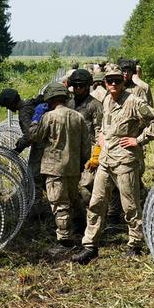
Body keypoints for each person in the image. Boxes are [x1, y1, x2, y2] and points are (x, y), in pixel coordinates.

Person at [72, 66, 154, 264]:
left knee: (129, 205)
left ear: (123, 81)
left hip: (125, 160)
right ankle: (90, 245)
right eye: (109, 81)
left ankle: (135, 244)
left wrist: (139, 140)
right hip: (106, 159)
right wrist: (101, 138)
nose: (113, 84)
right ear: (104, 82)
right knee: (96, 202)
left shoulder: (133, 102)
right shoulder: (106, 100)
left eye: (117, 81)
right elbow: (104, 126)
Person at [27, 82, 91, 247]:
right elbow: (86, 145)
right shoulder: (78, 116)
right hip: (73, 167)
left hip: (54, 168)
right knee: (73, 199)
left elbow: (36, 137)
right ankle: (83, 227)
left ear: (49, 99)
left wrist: (35, 121)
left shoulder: (48, 117)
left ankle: (64, 239)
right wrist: (83, 163)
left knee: (59, 204)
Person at [68, 68, 104, 229]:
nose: (77, 89)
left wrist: (96, 153)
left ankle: (94, 221)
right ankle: (79, 220)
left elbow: (99, 131)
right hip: (70, 152)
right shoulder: (68, 103)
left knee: (86, 187)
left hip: (89, 152)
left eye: (80, 86)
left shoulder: (94, 105)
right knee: (71, 190)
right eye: (74, 86)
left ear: (88, 86)